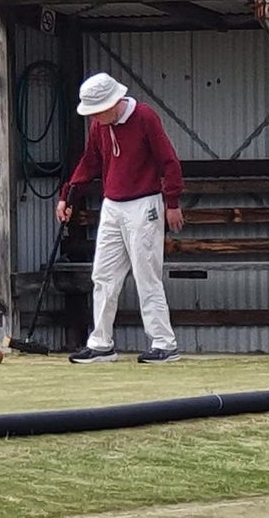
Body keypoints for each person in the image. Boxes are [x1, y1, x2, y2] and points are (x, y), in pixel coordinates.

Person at [58, 72, 185, 364]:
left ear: (113, 102)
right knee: (103, 275)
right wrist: (68, 194)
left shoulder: (145, 118)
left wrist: (173, 201)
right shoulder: (99, 126)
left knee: (146, 274)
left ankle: (164, 342)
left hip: (145, 203)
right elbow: (90, 161)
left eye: (97, 111)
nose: (94, 117)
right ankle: (101, 342)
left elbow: (169, 160)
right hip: (113, 205)